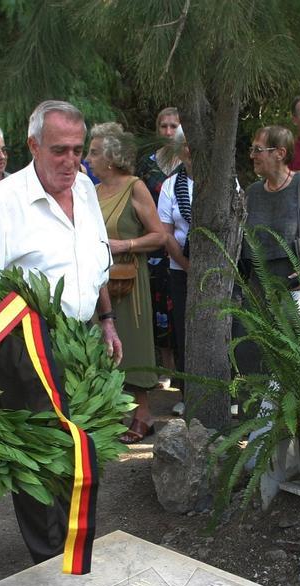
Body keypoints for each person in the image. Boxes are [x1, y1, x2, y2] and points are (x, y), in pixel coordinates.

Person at [0, 100, 120, 565]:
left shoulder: (86, 189)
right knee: (42, 453)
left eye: (77, 150)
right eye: (59, 151)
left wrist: (107, 320)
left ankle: (74, 545)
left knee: (84, 446)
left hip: (85, 339)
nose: (71, 162)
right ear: (32, 146)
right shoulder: (4, 201)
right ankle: (47, 559)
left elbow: (97, 261)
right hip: (27, 344)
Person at [87, 122, 167, 444]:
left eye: (93, 152)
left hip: (131, 281)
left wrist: (124, 245)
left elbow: (160, 235)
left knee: (133, 344)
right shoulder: (91, 193)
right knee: (102, 345)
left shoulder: (134, 186)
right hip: (99, 280)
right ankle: (111, 412)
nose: (87, 158)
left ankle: (144, 414)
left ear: (110, 157)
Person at [238, 125, 300, 376]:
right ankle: (255, 412)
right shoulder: (252, 192)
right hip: (257, 285)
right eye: (252, 149)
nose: (252, 155)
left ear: (279, 152)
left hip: (293, 283)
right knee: (252, 352)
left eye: (258, 150)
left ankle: (295, 414)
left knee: (296, 358)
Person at [136, 108, 182, 382]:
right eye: (163, 126)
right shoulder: (146, 164)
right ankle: (166, 369)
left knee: (178, 306)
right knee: (158, 307)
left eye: (173, 126)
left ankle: (186, 369)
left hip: (179, 243)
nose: (167, 132)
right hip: (153, 245)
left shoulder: (189, 163)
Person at [156, 131, 193, 394]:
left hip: (217, 272)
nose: (192, 150)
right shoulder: (170, 186)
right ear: (179, 151)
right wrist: (187, 264)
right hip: (180, 270)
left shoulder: (226, 181)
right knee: (183, 331)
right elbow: (165, 234)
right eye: (186, 146)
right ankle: (188, 393)